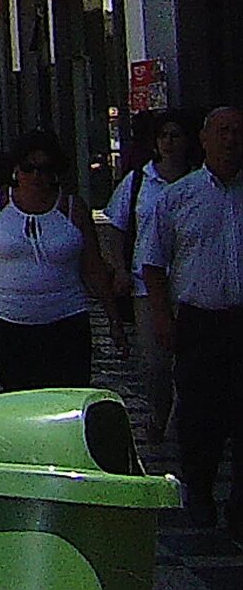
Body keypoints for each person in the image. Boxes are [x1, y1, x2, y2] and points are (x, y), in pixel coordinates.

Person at [140, 105, 243, 527]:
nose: (230, 139)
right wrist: (162, 318)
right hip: (200, 321)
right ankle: (199, 494)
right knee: (201, 415)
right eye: (222, 131)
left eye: (238, 132)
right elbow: (153, 264)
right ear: (204, 137)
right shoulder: (178, 198)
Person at [0, 127, 119, 393]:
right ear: (16, 169)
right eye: (29, 168)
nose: (37, 176)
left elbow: (93, 268)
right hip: (7, 322)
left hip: (66, 322)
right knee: (17, 398)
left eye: (45, 169)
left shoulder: (73, 209)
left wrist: (115, 319)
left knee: (66, 398)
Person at [112, 110, 195, 438]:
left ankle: (186, 422)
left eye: (176, 135)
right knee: (156, 363)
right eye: (164, 136)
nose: (169, 143)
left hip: (189, 283)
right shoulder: (137, 182)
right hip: (146, 285)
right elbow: (117, 226)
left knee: (189, 363)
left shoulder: (199, 181)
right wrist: (119, 268)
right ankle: (159, 415)